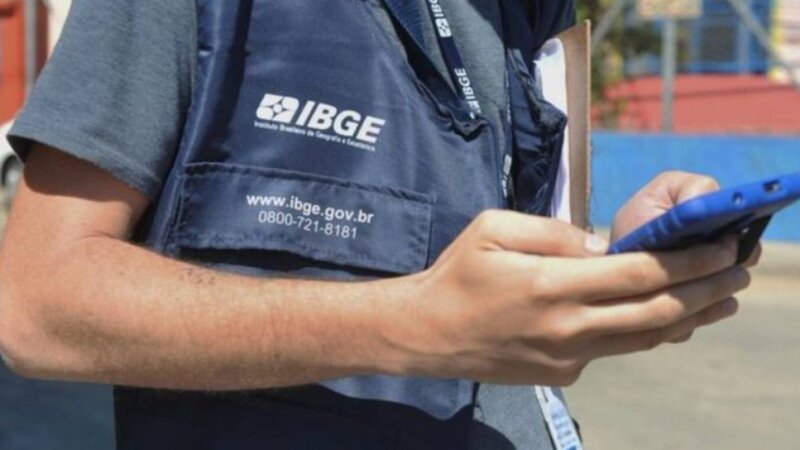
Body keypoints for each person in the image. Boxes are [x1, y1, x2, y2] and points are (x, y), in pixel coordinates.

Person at [0, 1, 758, 449]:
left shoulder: (533, 15)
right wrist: (410, 325)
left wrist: (614, 259)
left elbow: (507, 277)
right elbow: (37, 306)